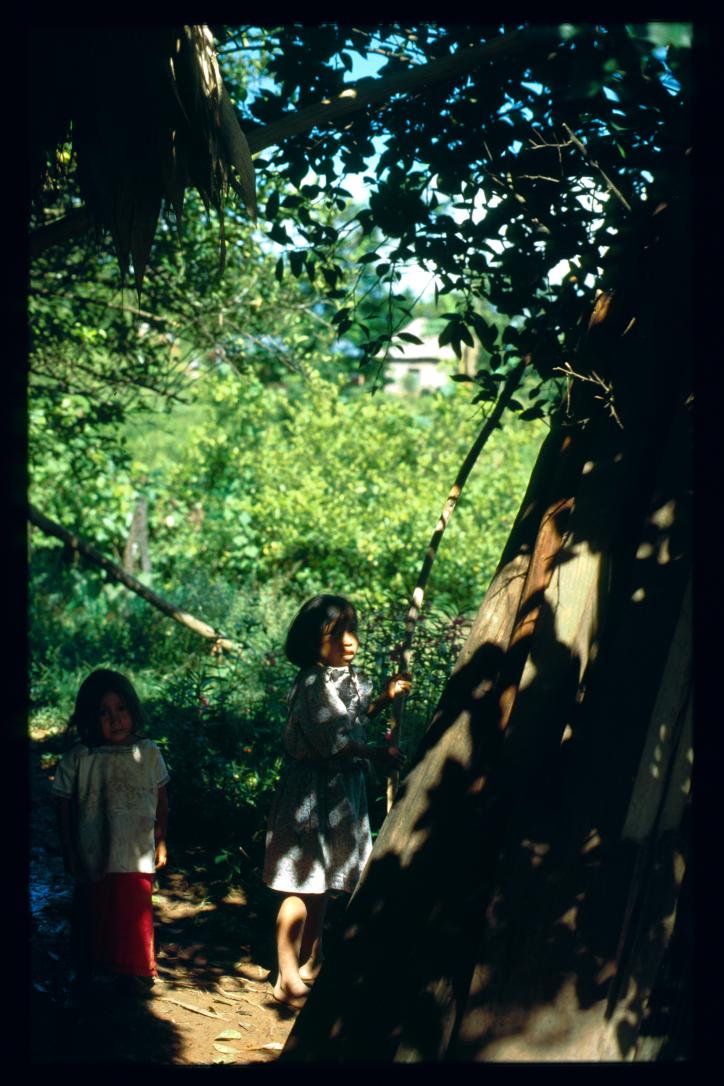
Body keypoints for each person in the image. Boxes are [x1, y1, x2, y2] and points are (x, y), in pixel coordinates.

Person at [262, 594, 410, 1007]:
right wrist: (376, 754)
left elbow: (353, 722)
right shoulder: (312, 681)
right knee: (299, 885)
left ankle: (313, 959)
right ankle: (286, 976)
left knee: (322, 884)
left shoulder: (343, 677)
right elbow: (334, 740)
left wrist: (385, 697)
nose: (349, 641)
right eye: (336, 633)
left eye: (352, 631)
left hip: (339, 793)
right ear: (314, 640)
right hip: (310, 796)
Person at [52, 668, 169, 999]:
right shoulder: (80, 757)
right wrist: (69, 849)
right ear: (89, 717)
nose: (115, 719)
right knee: (94, 910)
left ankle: (134, 971)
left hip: (136, 851)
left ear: (133, 709)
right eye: (104, 712)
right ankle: (93, 968)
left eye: (121, 708)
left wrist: (161, 840)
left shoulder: (148, 752)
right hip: (94, 850)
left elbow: (161, 798)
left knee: (134, 912)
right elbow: (62, 804)